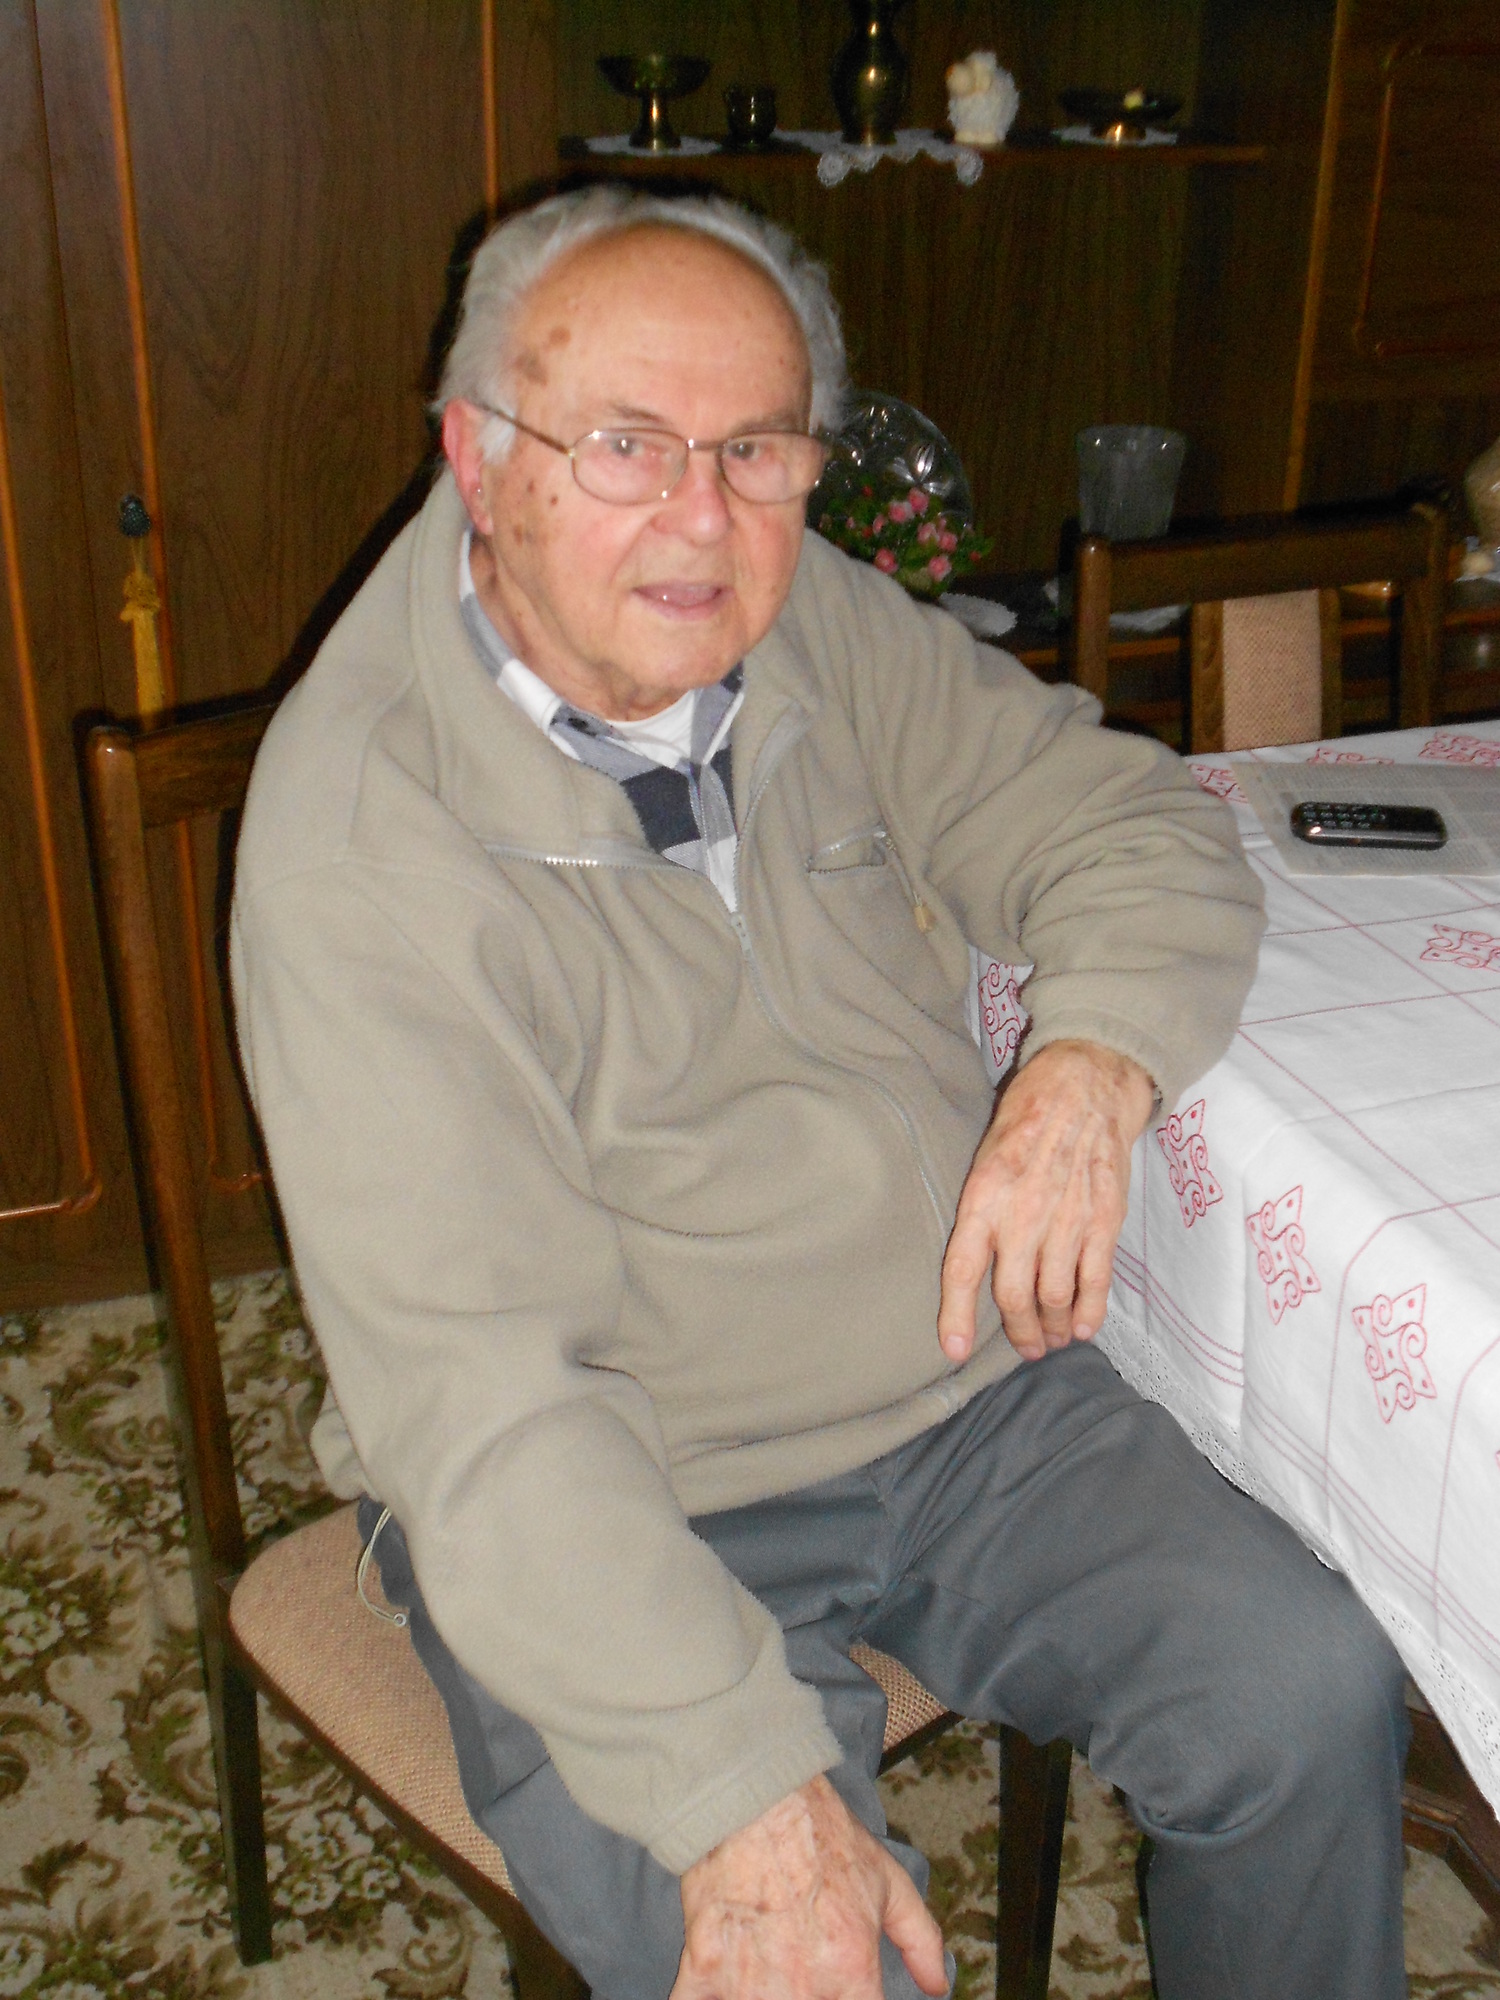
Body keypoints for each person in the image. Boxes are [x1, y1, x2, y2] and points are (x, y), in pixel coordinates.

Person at [231, 185, 1410, 2000]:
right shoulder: (360, 855)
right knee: (815, 1963)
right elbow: (487, 1411)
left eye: (758, 450)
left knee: (1303, 1690)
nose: (703, 517)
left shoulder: (805, 626)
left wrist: (1087, 1064)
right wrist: (737, 1799)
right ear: (479, 457)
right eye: (626, 445)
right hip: (622, 1482)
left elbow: (1124, 823)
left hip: (958, 1398)